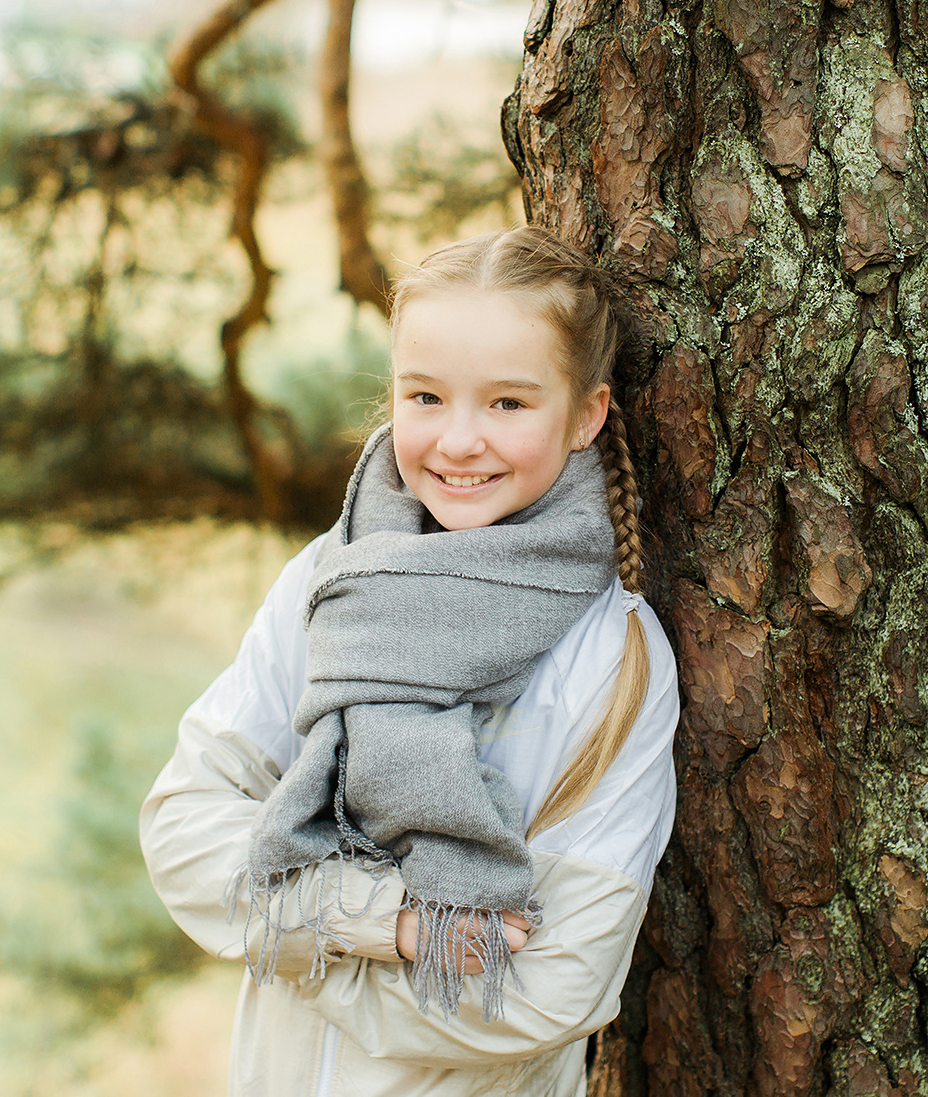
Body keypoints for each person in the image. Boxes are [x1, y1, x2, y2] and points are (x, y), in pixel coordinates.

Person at [139, 226, 679, 1096]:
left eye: (508, 403)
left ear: (587, 413)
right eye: (426, 396)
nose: (459, 440)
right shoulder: (330, 582)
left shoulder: (610, 661)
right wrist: (387, 925)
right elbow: (180, 828)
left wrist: (295, 934)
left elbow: (553, 991)